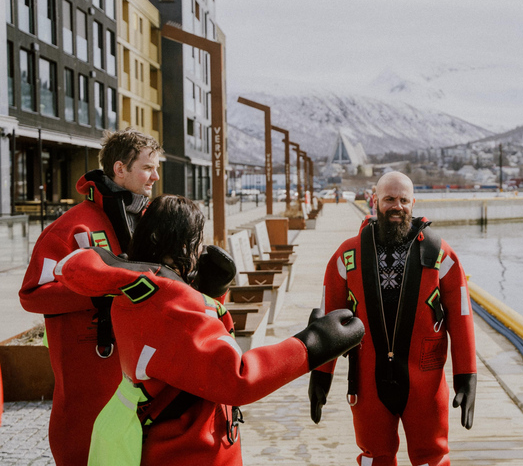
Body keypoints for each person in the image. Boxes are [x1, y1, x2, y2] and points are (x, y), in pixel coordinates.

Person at [53, 194, 365, 465]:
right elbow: (235, 377)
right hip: (189, 448)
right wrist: (313, 344)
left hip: (161, 436)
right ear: (175, 244)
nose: (200, 251)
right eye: (196, 241)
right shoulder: (173, 307)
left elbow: (187, 355)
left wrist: (208, 293)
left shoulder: (136, 291)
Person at [309, 171, 477, 466]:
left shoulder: (440, 254)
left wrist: (467, 377)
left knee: (432, 457)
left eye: (403, 200)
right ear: (374, 201)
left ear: (414, 202)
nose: (397, 206)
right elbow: (327, 323)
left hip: (426, 380)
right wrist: (321, 375)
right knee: (375, 457)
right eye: (389, 199)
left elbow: (462, 318)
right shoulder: (347, 256)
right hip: (368, 379)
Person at [18, 129, 162, 465]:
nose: (155, 176)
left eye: (156, 168)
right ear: (119, 169)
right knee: (82, 443)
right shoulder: (72, 228)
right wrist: (95, 292)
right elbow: (32, 295)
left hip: (134, 363)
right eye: (147, 168)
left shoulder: (145, 220)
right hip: (89, 363)